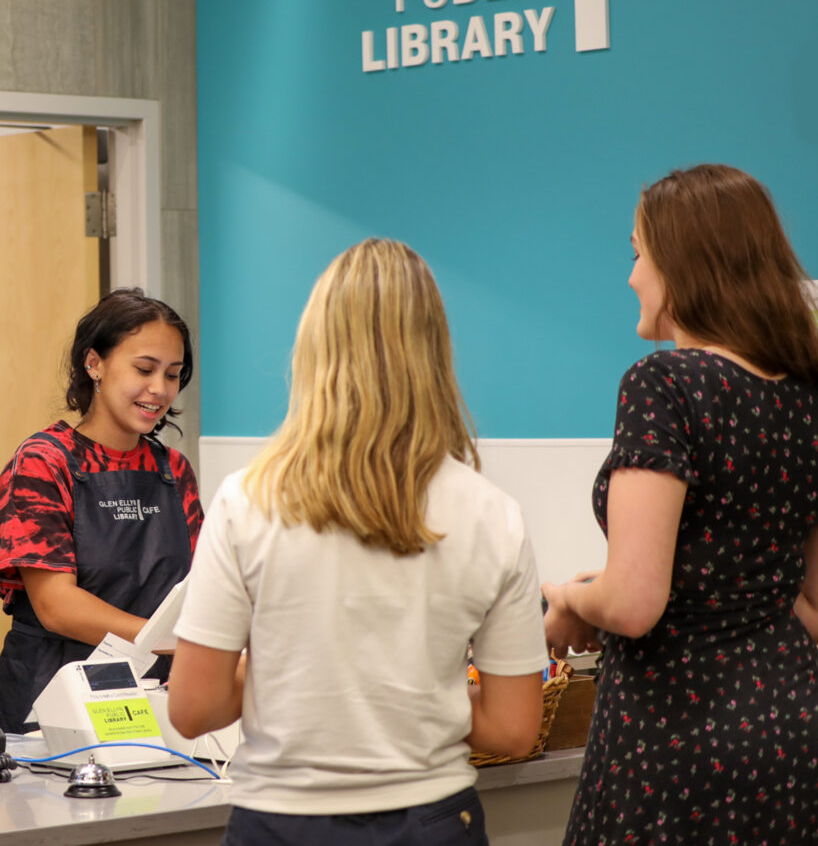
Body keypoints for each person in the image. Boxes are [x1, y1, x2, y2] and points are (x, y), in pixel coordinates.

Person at [168, 238, 548, 846]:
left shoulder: (247, 500)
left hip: (280, 825)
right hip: (432, 822)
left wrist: (286, 677)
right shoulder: (493, 514)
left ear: (315, 347)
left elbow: (194, 708)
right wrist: (416, 700)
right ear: (434, 351)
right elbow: (512, 729)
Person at [543, 163, 818, 845]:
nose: (632, 277)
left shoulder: (664, 384)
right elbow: (814, 607)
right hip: (793, 733)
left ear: (681, 264)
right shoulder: (807, 395)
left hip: (676, 743)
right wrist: (720, 588)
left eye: (637, 254)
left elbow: (632, 605)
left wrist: (571, 597)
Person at [0, 288, 203, 733]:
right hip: (52, 700)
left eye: (173, 374)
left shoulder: (174, 470)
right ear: (95, 363)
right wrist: (168, 640)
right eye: (144, 369)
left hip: (151, 695)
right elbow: (57, 606)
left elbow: (199, 585)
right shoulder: (43, 462)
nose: (160, 389)